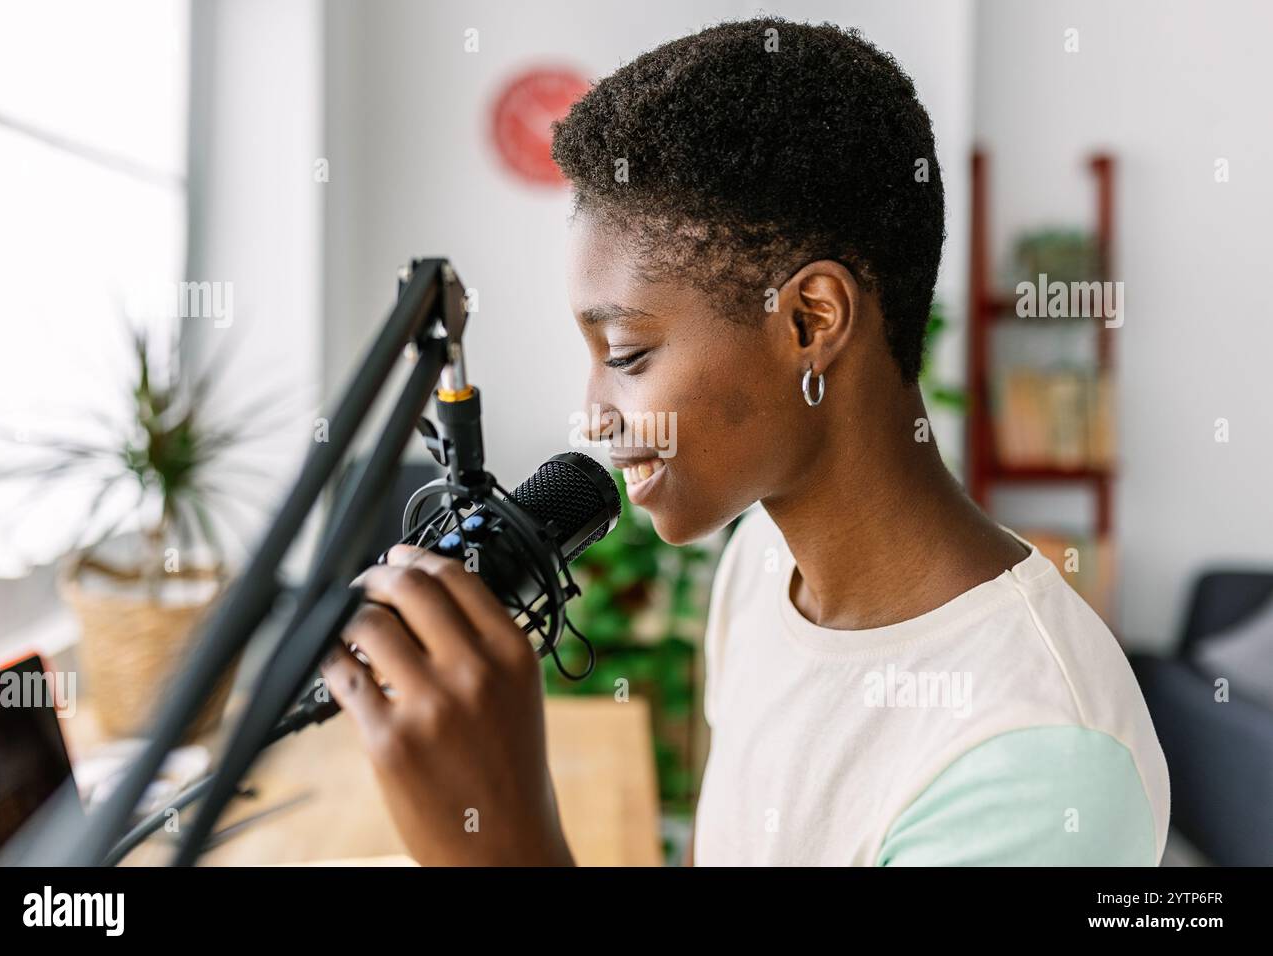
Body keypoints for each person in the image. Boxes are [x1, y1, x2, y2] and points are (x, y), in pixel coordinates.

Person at [321, 17, 1169, 866]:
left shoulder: (1037, 765)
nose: (597, 416)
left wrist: (502, 846)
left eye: (627, 356)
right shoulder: (762, 560)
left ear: (810, 321)